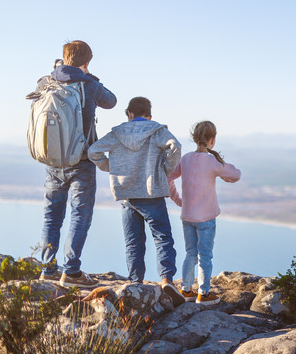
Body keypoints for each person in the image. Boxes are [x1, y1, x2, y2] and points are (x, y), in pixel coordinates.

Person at [88, 97, 186, 306]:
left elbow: (93, 150)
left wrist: (111, 167)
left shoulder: (117, 133)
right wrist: (164, 170)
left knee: (133, 242)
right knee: (162, 237)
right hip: (152, 193)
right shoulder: (157, 130)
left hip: (127, 195)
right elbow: (175, 147)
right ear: (150, 116)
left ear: (129, 114)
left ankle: (135, 282)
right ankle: (167, 279)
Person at [36, 40, 117, 288]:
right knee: (80, 215)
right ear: (86, 62)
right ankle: (71, 272)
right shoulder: (88, 84)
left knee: (52, 216)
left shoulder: (48, 82)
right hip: (81, 161)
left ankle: (47, 269)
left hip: (53, 160)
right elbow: (111, 101)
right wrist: (89, 76)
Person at [167, 121, 241, 305]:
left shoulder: (185, 159)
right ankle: (204, 294)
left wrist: (179, 201)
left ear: (195, 138)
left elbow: (168, 179)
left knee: (190, 253)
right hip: (206, 218)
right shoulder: (212, 161)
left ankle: (185, 290)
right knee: (205, 256)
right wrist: (222, 173)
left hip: (187, 216)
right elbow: (236, 174)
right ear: (212, 140)